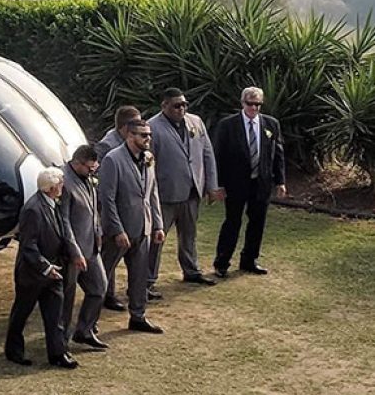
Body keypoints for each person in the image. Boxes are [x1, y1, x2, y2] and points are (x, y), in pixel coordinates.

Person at [5, 167, 87, 369]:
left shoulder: (52, 204)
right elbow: (28, 245)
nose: (62, 186)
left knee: (55, 316)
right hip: (32, 274)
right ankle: (13, 350)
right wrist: (45, 267)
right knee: (21, 313)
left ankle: (58, 354)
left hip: (54, 271)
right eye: (60, 183)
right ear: (51, 188)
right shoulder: (33, 209)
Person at [147, 88, 222, 295]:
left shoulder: (195, 122)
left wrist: (211, 186)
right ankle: (147, 280)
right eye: (176, 105)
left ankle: (191, 269)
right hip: (165, 194)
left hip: (192, 191)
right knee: (157, 238)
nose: (181, 109)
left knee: (189, 234)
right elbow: (147, 164)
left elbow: (207, 154)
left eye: (184, 104)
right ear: (164, 106)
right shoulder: (152, 127)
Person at [98, 119, 166, 334]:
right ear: (130, 136)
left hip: (143, 228)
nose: (148, 139)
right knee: (102, 275)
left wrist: (158, 225)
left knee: (139, 276)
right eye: (143, 135)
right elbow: (107, 199)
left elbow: (152, 193)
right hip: (120, 231)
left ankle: (138, 316)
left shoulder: (148, 158)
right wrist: (117, 230)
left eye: (149, 135)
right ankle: (90, 319)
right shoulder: (112, 160)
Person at [212, 87, 286, 277]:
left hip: (261, 182)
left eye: (258, 104)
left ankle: (249, 260)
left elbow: (277, 154)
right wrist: (218, 185)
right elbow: (218, 156)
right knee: (232, 222)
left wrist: (280, 181)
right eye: (250, 104)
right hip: (236, 183)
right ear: (242, 103)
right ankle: (222, 262)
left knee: (257, 222)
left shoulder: (271, 124)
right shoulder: (228, 125)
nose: (254, 108)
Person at [59, 144, 109, 350]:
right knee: (66, 298)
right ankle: (59, 340)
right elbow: (64, 222)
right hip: (72, 252)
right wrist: (74, 252)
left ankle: (85, 330)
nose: (92, 172)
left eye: (94, 168)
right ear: (77, 163)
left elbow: (94, 209)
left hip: (92, 246)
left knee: (99, 288)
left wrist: (98, 234)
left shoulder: (87, 178)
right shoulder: (63, 182)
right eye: (89, 168)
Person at [97, 105, 142, 311]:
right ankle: (105, 294)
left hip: (133, 212)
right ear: (125, 128)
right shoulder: (108, 148)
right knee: (110, 258)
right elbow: (105, 190)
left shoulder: (137, 146)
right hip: (113, 211)